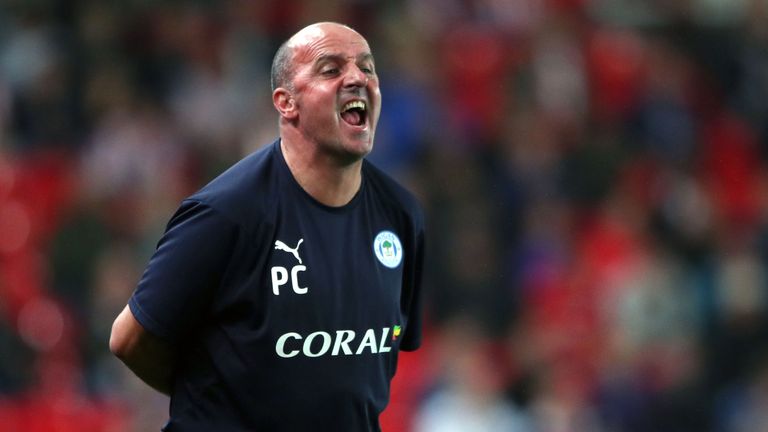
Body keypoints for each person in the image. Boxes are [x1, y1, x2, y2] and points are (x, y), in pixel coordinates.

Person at [109, 22, 425, 431]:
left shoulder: (401, 214)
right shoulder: (228, 214)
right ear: (286, 102)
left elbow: (370, 365)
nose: (357, 78)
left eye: (367, 68)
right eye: (331, 69)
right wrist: (215, 402)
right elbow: (130, 339)